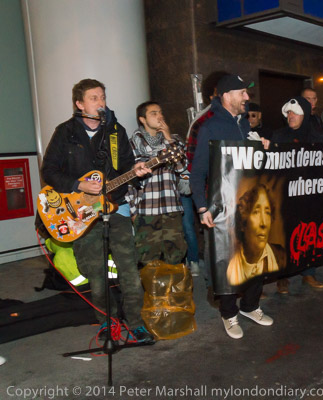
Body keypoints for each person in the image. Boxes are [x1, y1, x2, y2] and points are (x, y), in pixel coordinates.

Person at [40, 79, 154, 343]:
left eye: (103, 97)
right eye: (94, 98)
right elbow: (49, 171)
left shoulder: (115, 131)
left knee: (129, 271)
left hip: (117, 207)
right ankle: (106, 322)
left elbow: (126, 166)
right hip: (82, 214)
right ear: (79, 104)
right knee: (97, 274)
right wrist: (78, 185)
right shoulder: (65, 132)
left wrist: (136, 171)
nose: (101, 102)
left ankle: (136, 324)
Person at [190, 74, 272, 339]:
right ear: (226, 96)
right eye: (241, 93)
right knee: (227, 260)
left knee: (257, 257)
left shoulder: (243, 123)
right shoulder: (210, 127)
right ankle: (229, 313)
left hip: (250, 205)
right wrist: (202, 208)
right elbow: (197, 172)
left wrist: (262, 146)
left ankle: (250, 305)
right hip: (223, 207)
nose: (246, 97)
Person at [271, 97, 323, 292]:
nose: (290, 116)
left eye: (294, 113)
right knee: (283, 235)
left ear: (305, 115)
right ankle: (282, 276)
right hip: (284, 196)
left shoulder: (315, 137)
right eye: (288, 113)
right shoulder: (278, 135)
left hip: (308, 195)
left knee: (309, 233)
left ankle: (308, 272)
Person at [127, 101, 187, 266]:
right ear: (142, 119)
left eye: (160, 112)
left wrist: (168, 138)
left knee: (175, 258)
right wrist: (133, 211)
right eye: (154, 113)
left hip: (171, 208)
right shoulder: (131, 144)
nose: (160, 116)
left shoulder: (174, 140)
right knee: (148, 261)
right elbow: (127, 179)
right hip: (145, 210)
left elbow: (182, 167)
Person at [184, 71, 227, 286]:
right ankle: (215, 288)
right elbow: (194, 165)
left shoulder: (241, 119)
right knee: (216, 246)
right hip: (215, 194)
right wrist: (202, 203)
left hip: (240, 193)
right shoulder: (203, 122)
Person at [227, 184, 285, 285]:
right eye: (256, 212)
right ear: (243, 222)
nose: (263, 223)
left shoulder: (280, 256)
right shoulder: (230, 261)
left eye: (267, 212)